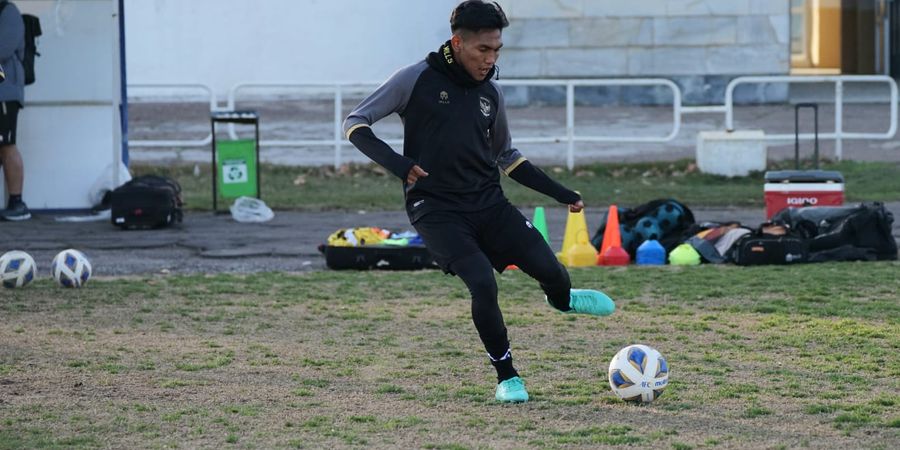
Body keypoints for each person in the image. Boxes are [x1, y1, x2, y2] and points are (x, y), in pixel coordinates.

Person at [343, 0, 615, 403]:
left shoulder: (491, 93)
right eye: (483, 50)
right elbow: (355, 123)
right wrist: (399, 164)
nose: (490, 59)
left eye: (497, 50)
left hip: (489, 204)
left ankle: (564, 300)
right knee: (483, 285)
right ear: (458, 42)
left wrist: (561, 194)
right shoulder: (414, 79)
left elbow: (507, 157)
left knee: (553, 273)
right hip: (435, 211)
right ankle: (508, 378)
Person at [0, 0, 30, 221]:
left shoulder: (8, 11)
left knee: (7, 145)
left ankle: (17, 203)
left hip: (5, 93)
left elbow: (4, 47)